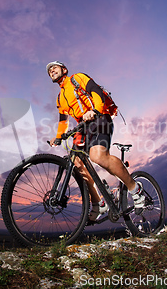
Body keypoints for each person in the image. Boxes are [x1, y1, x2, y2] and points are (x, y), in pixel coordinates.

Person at [46, 60, 145, 221]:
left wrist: (95, 110)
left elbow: (96, 91)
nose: (51, 71)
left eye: (54, 67)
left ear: (64, 69)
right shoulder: (60, 98)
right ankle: (98, 204)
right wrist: (58, 137)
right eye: (49, 71)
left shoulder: (77, 78)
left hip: (99, 118)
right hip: (82, 126)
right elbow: (63, 121)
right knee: (76, 162)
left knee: (98, 157)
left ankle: (135, 189)